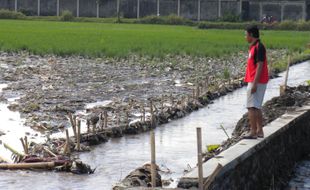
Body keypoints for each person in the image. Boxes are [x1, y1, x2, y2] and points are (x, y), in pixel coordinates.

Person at [243, 25, 269, 139]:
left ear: (251, 35)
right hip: (256, 80)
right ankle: (259, 131)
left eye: (246, 34)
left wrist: (254, 83)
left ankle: (253, 132)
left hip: (256, 81)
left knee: (251, 107)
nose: (245, 37)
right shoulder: (254, 47)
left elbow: (260, 66)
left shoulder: (259, 47)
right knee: (256, 106)